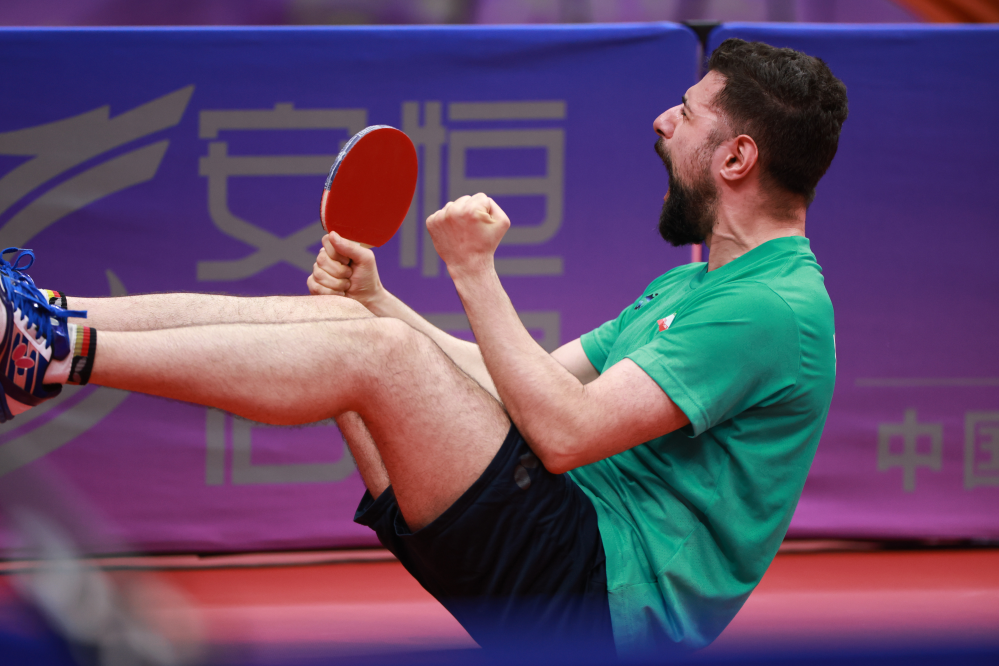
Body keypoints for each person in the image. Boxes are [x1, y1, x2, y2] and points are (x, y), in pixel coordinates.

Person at [1, 38, 847, 656]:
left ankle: (53, 354)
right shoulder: (697, 286)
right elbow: (523, 385)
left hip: (598, 594)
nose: (662, 120)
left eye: (687, 112)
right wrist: (384, 302)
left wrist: (473, 272)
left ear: (736, 156)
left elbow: (563, 432)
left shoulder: (769, 308)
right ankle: (49, 320)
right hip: (550, 537)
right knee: (348, 325)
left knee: (377, 356)